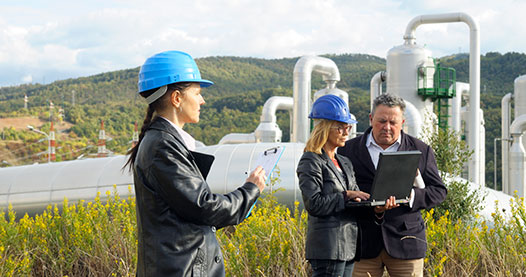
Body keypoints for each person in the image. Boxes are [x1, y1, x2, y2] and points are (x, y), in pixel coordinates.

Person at [125, 50, 267, 277]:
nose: (203, 100)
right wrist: (251, 190)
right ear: (177, 98)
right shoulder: (162, 147)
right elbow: (204, 207)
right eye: (198, 93)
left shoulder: (164, 142)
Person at [337, 93, 447, 277]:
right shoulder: (347, 150)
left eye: (393, 122)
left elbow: (438, 191)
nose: (387, 127)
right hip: (361, 245)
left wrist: (409, 197)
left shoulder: (420, 150)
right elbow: (338, 191)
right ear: (371, 119)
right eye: (382, 121)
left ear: (402, 122)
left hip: (406, 243)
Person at [296, 95, 397, 277]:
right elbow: (314, 204)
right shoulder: (311, 160)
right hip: (327, 249)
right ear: (325, 128)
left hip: (349, 247)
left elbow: (354, 202)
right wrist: (346, 195)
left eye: (348, 127)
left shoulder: (345, 162)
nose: (346, 132)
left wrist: (377, 209)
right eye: (341, 128)